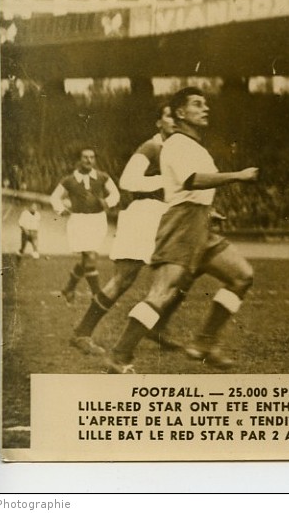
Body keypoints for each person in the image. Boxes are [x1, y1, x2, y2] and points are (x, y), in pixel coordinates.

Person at [104, 87, 259, 374]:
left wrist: (209, 210)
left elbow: (187, 187)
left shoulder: (194, 146)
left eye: (206, 104)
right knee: (162, 293)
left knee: (241, 276)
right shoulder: (176, 144)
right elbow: (191, 181)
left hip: (200, 224)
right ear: (180, 112)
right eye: (197, 104)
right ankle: (120, 354)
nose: (205, 108)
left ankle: (204, 343)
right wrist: (237, 176)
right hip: (182, 226)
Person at [69, 105, 184, 356]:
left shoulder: (177, 150)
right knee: (123, 279)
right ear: (159, 122)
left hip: (167, 215)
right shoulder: (152, 147)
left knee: (181, 274)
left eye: (177, 116)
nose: (174, 120)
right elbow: (127, 181)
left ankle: (158, 327)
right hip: (143, 214)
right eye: (168, 115)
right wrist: (167, 181)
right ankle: (82, 333)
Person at [50, 147, 120, 305]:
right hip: (79, 221)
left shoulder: (102, 177)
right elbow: (55, 197)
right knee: (90, 256)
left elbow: (116, 194)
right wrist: (61, 210)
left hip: (97, 221)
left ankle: (69, 288)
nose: (89, 160)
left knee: (88, 259)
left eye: (92, 157)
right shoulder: (69, 180)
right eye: (85, 157)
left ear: (95, 159)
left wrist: (106, 203)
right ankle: (97, 295)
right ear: (79, 160)